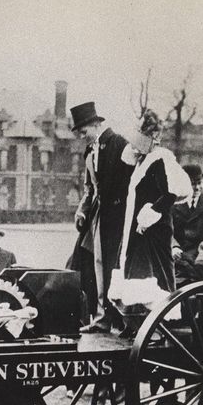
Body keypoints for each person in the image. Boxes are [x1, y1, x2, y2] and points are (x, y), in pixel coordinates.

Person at [107, 110, 191, 335]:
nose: (134, 147)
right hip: (137, 230)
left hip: (154, 229)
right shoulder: (142, 161)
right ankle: (136, 324)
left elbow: (170, 194)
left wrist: (150, 214)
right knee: (132, 273)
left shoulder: (161, 159)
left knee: (151, 276)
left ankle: (156, 327)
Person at [70, 101, 133, 333]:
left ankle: (123, 319)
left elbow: (130, 185)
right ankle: (103, 316)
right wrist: (82, 210)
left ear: (96, 124)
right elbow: (90, 188)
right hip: (99, 217)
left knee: (115, 267)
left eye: (84, 132)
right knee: (97, 266)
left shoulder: (119, 145)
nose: (82, 137)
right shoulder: (90, 152)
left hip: (118, 217)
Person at [171, 164, 203, 286]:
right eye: (192, 184)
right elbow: (166, 230)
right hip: (179, 254)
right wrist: (173, 246)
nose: (197, 188)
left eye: (199, 183)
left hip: (202, 254)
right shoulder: (173, 203)